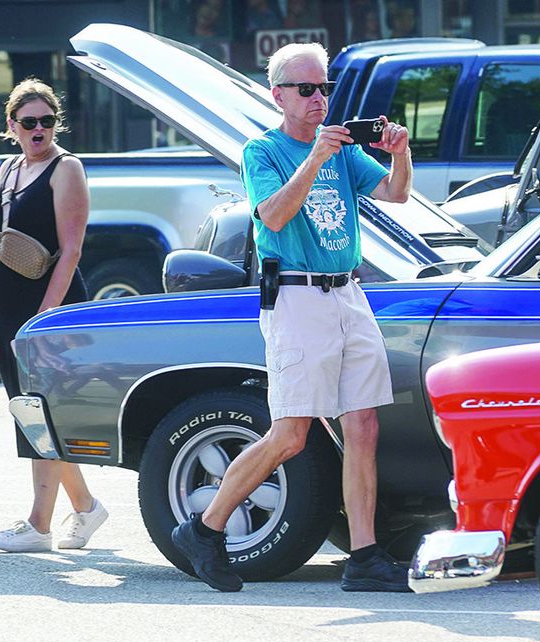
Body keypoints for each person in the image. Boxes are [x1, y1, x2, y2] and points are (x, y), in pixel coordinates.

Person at [169, 42, 414, 593]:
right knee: (291, 434)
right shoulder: (264, 150)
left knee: (364, 426)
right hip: (297, 297)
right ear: (277, 94)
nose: (318, 98)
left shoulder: (345, 150)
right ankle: (205, 529)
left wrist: (400, 151)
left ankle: (366, 557)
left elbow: (396, 195)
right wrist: (316, 159)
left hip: (348, 291)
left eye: (324, 88)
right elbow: (273, 215)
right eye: (306, 89)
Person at [0, 78, 108, 553]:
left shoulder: (66, 168)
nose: (39, 130)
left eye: (47, 121)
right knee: (33, 414)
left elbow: (70, 252)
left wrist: (44, 320)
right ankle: (86, 508)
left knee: (40, 412)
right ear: (12, 126)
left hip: (50, 309)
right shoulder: (8, 169)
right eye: (29, 122)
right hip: (9, 306)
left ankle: (39, 524)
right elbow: (2, 246)